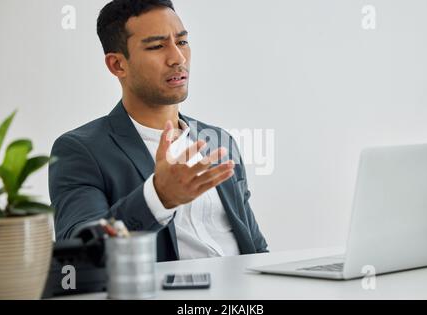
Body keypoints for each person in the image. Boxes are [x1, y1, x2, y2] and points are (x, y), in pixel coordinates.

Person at [49, 0, 268, 261]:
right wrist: (158, 197)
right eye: (156, 46)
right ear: (118, 65)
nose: (177, 58)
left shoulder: (219, 140)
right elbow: (81, 255)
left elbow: (256, 250)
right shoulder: (80, 150)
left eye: (182, 42)